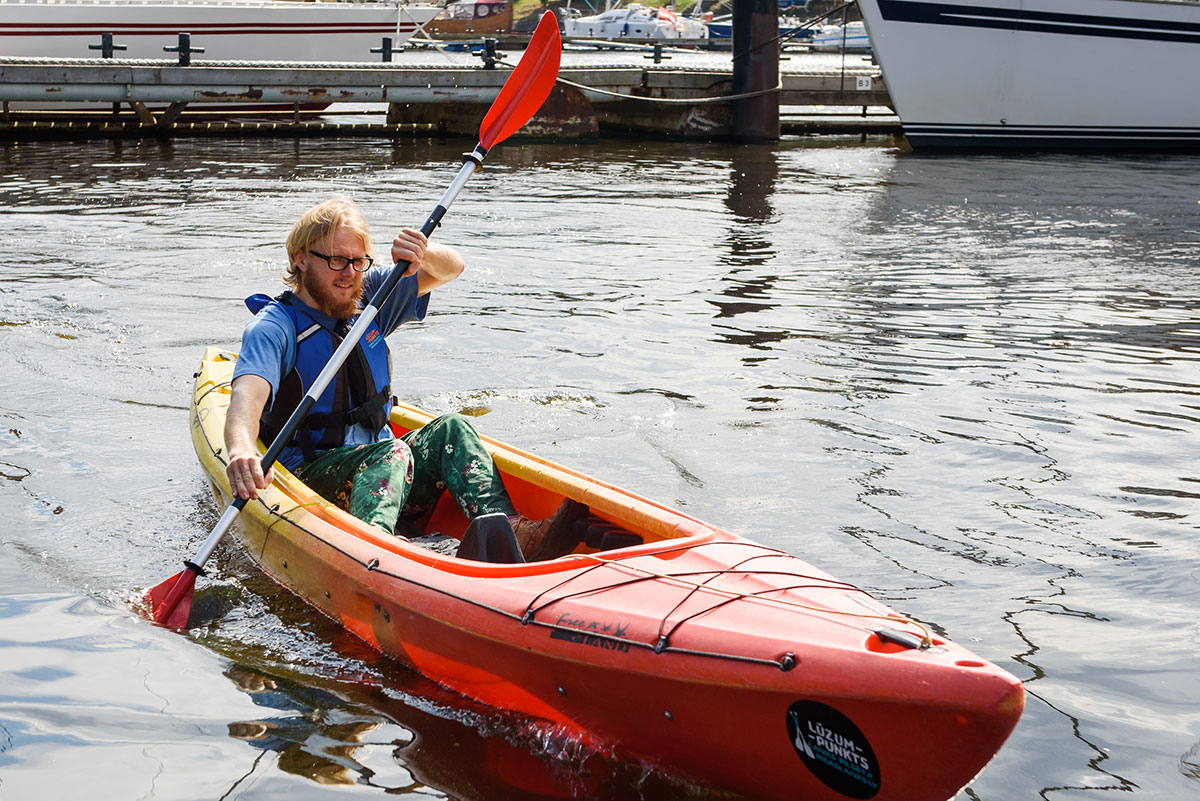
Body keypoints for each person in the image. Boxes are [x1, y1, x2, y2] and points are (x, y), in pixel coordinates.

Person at [223, 196, 584, 560]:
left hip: (388, 466)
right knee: (391, 453)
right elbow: (247, 396)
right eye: (336, 260)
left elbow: (452, 268)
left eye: (358, 261)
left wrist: (421, 254)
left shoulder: (369, 299)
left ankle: (513, 535)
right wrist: (240, 451)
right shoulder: (275, 327)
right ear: (300, 258)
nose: (349, 273)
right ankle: (380, 550)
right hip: (312, 474)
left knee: (452, 429)